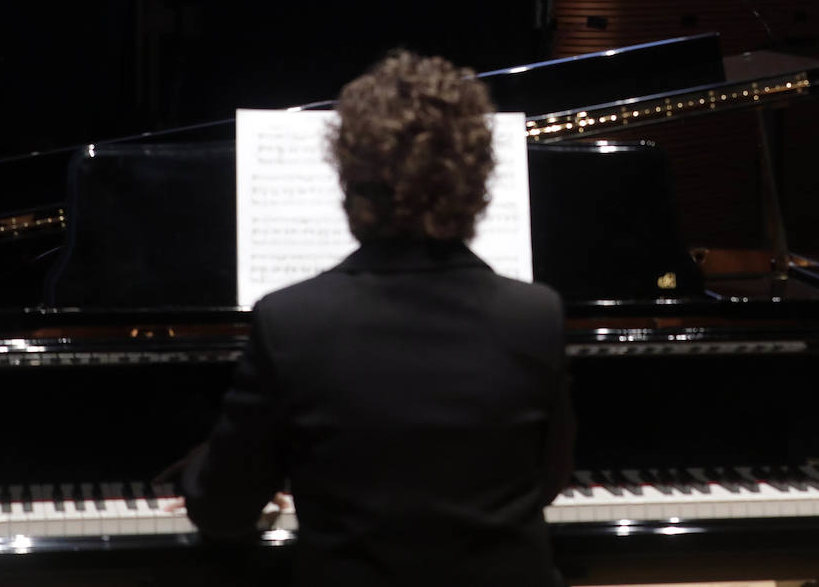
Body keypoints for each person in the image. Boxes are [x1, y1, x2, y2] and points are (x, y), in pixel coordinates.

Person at [174, 50, 575, 585]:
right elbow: (545, 482)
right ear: (477, 181)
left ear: (349, 182)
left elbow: (222, 515)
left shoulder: (292, 321)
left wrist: (212, 460)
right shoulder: (536, 315)